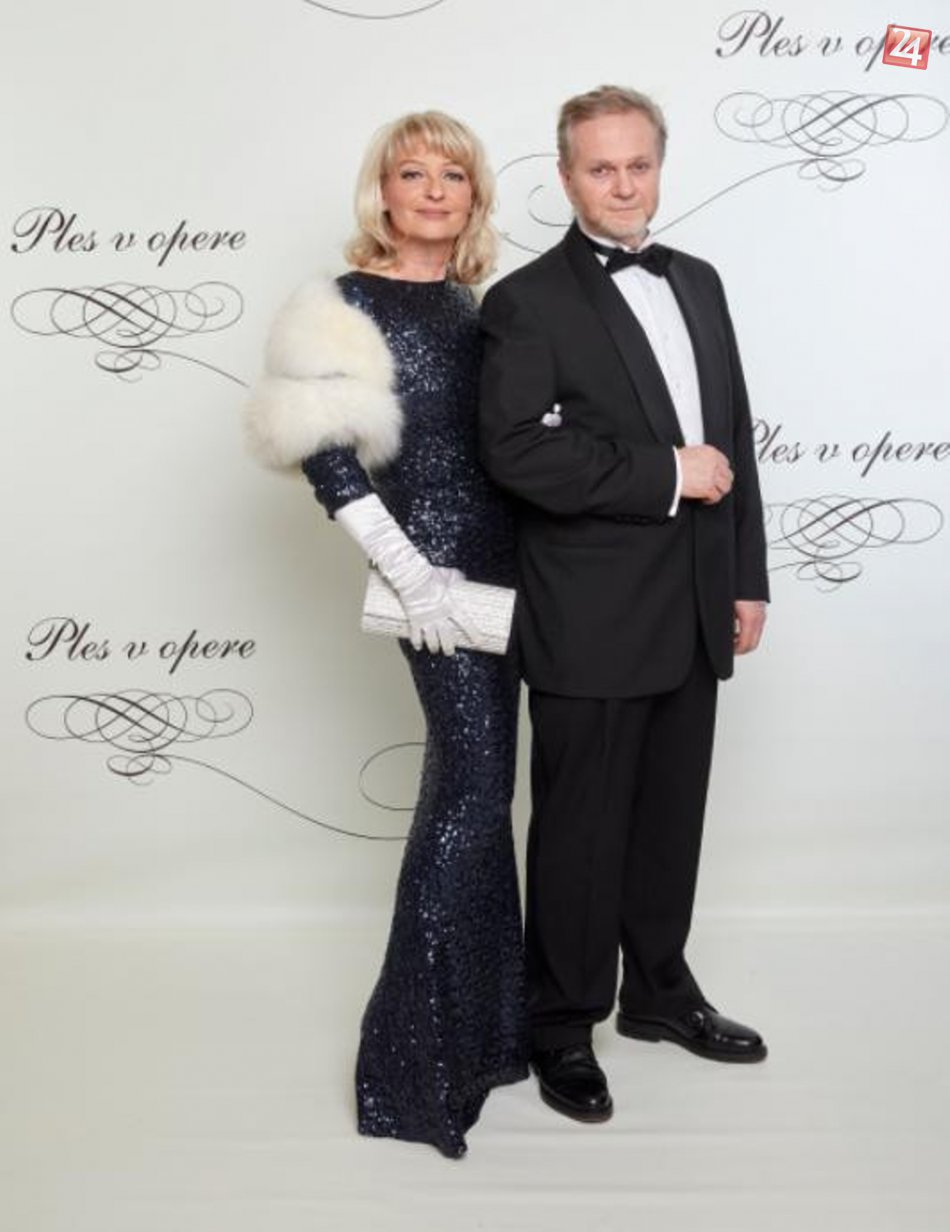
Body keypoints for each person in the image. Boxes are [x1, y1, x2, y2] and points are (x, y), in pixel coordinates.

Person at [479, 85, 770, 1124]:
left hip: (694, 598)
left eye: (637, 165)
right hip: (589, 613)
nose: (621, 185)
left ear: (658, 166)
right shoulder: (525, 301)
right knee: (578, 829)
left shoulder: (699, 280)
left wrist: (745, 575)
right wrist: (664, 473)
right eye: (599, 168)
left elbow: (734, 435)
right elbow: (516, 452)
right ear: (565, 177)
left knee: (667, 818)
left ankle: (657, 991)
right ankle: (561, 1023)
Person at [244, 111, 528, 1158]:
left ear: (474, 194)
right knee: (469, 794)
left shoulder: (473, 304)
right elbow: (326, 458)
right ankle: (408, 1073)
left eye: (453, 173)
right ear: (383, 191)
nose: (433, 189)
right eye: (413, 172)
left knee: (482, 791)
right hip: (433, 576)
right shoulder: (340, 305)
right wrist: (409, 575)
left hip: (512, 569)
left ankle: (487, 1035)